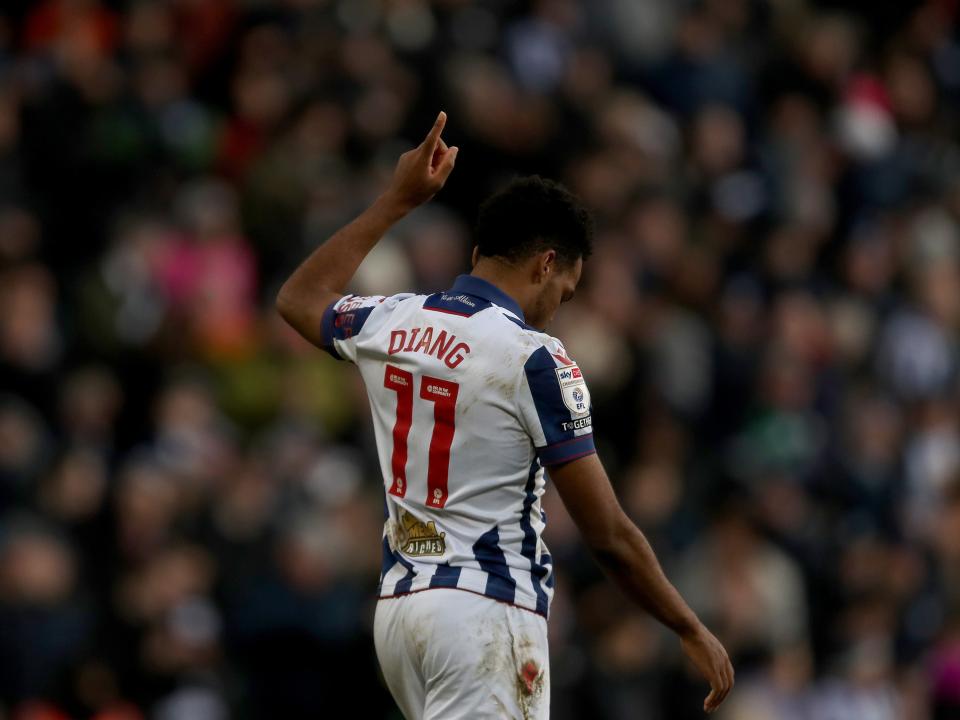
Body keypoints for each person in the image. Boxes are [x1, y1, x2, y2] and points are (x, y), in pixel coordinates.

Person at [276, 111, 734, 719]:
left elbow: (299, 299)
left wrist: (395, 201)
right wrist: (687, 625)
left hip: (400, 613)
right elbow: (608, 535)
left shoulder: (395, 319)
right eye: (564, 292)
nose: (556, 309)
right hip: (484, 614)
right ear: (546, 265)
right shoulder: (533, 358)